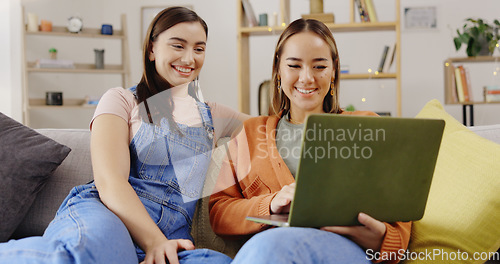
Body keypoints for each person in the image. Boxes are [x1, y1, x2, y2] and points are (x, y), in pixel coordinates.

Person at [0, 7, 248, 264]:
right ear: (152, 49)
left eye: (199, 49)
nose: (189, 58)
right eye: (178, 46)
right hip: (108, 216)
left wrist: (290, 78)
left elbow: (274, 129)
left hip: (172, 239)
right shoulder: (122, 100)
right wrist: (154, 242)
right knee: (79, 256)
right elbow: (110, 181)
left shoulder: (214, 115)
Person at [209, 18, 411, 264]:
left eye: (319, 66)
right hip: (272, 251)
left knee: (268, 249)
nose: (306, 78)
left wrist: (382, 240)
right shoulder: (250, 134)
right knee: (269, 248)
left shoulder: (367, 126)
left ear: (333, 70)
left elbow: (401, 213)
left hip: (344, 251)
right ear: (278, 70)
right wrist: (271, 203)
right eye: (294, 65)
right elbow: (219, 211)